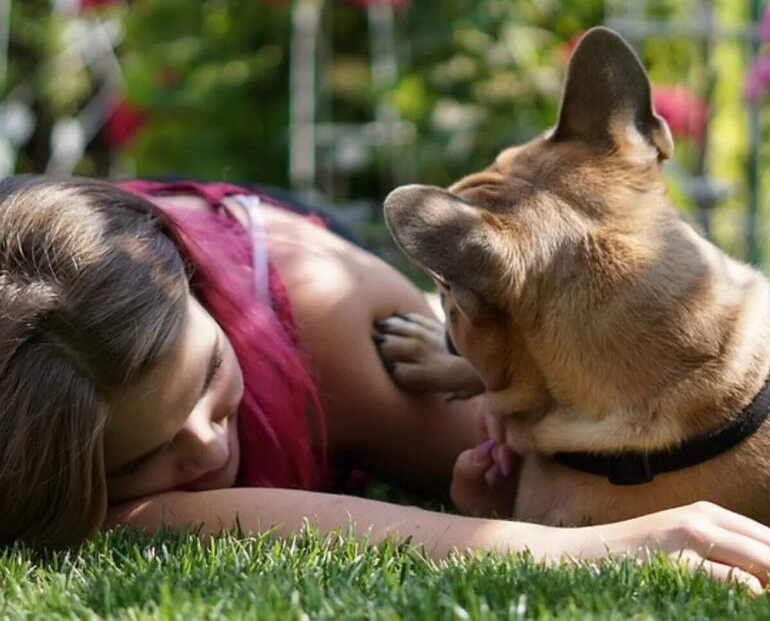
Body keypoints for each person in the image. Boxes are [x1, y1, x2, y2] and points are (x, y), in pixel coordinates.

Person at [2, 175, 770, 593]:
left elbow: (572, 478)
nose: (205, 447)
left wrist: (549, 514)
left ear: (199, 287)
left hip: (291, 270)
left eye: (207, 376)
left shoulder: (335, 332)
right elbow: (144, 523)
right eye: (142, 457)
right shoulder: (37, 408)